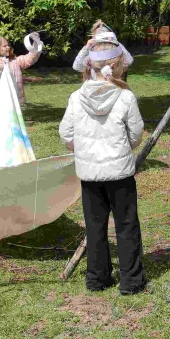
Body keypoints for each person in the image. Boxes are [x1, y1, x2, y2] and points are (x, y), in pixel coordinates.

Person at [58, 41, 147, 294]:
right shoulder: (125, 96)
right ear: (117, 65)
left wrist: (82, 150)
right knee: (126, 225)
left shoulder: (77, 97)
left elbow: (66, 133)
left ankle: (97, 278)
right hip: (119, 173)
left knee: (95, 226)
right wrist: (123, 148)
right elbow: (136, 133)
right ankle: (131, 281)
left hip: (90, 174)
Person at [0, 35, 42, 110]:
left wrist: (36, 42)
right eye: (5, 46)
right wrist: (0, 69)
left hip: (16, 102)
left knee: (16, 121)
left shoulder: (14, 61)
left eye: (8, 45)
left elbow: (29, 58)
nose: (8, 47)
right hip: (0, 105)